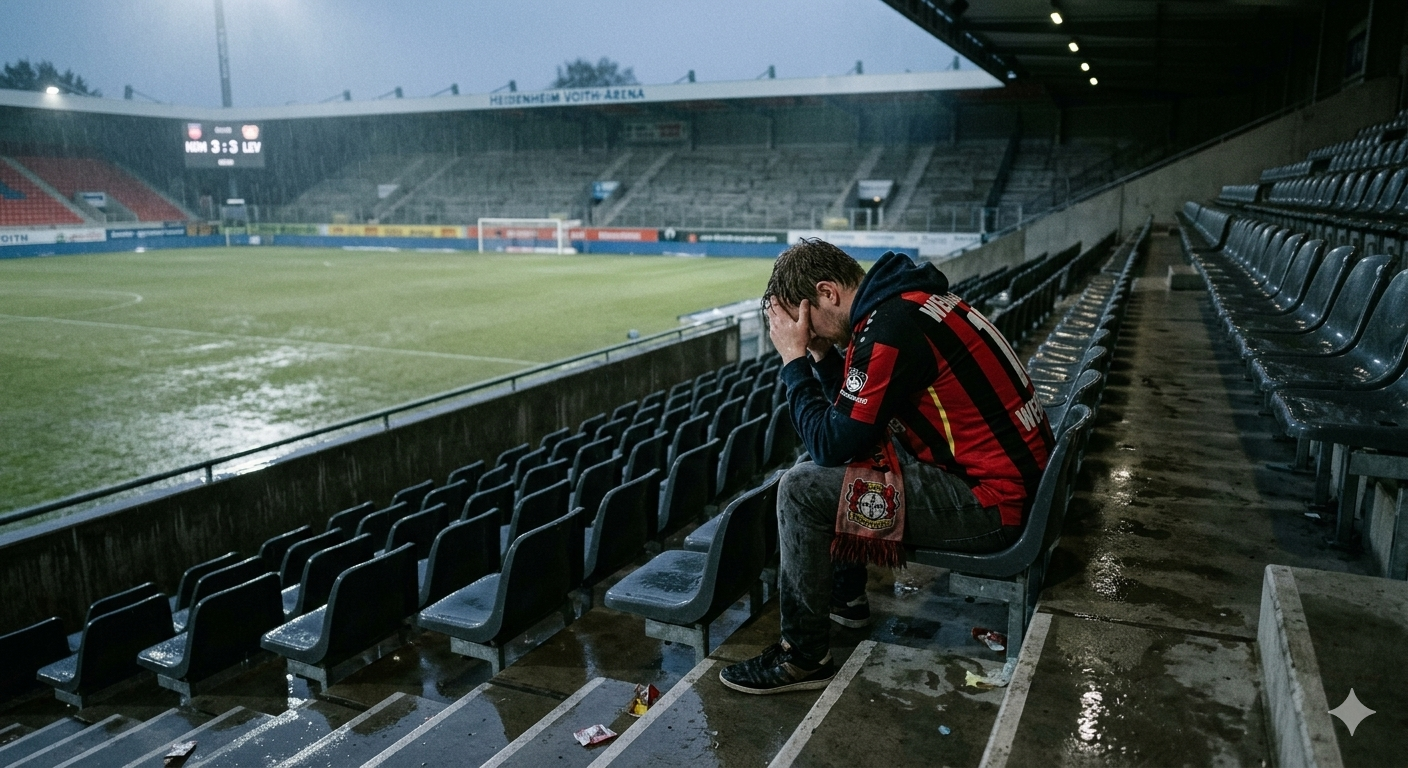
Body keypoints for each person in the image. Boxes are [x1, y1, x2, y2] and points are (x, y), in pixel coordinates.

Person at [719, 239, 1053, 695]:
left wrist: (794, 360)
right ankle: (845, 596)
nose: (807, 333)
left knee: (800, 487)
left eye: (806, 321)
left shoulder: (889, 326)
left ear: (828, 293)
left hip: (994, 503)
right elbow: (854, 424)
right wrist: (820, 352)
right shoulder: (900, 303)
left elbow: (830, 445)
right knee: (828, 465)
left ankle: (803, 657)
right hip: (1015, 482)